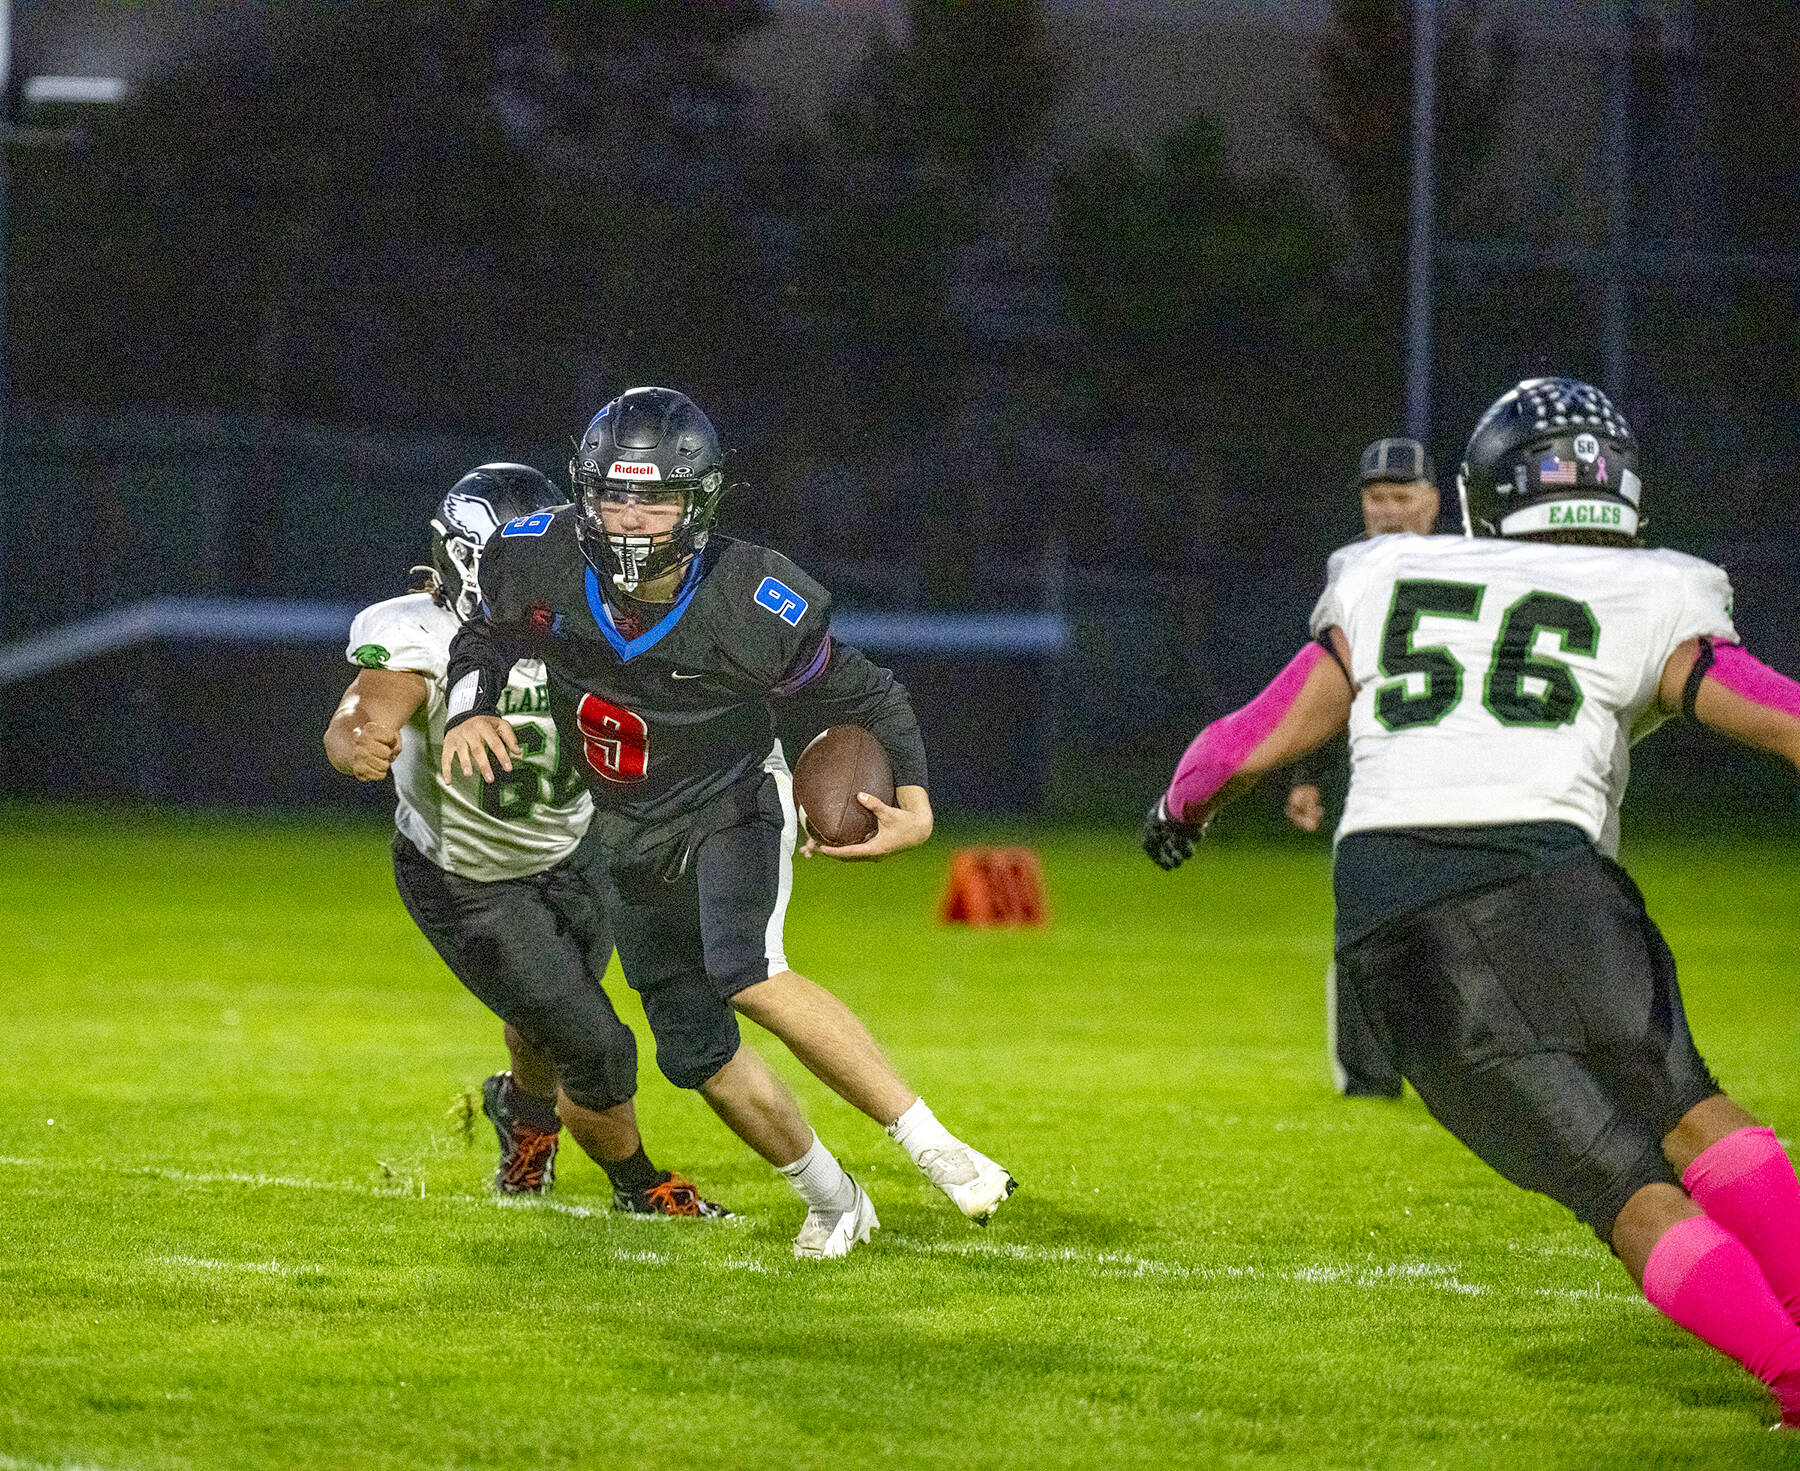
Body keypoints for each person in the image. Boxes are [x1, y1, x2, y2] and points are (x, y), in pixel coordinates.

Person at [1143, 377, 1800, 1427]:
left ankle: (1795, 1372)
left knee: (1624, 1192)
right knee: (1692, 1110)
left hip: (1405, 920)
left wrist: (1182, 804)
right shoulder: (1654, 590)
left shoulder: (1388, 573)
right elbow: (1775, 714)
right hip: (1563, 888)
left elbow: (1256, 731)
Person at [440, 387, 1015, 1259]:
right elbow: (484, 636)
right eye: (615, 495)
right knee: (695, 1050)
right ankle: (833, 1199)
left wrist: (920, 803)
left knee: (746, 969)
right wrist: (466, 710)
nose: (632, 520)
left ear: (699, 502)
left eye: (656, 498)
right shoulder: (537, 559)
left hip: (732, 801)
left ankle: (935, 1144)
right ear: (583, 492)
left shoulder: (753, 597)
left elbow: (866, 693)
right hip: (626, 827)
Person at [325, 462, 724, 1217]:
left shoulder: (591, 618)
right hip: (465, 876)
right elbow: (366, 706)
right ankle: (638, 1185)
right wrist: (359, 738)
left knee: (548, 1014)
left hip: (576, 852)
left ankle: (524, 1117)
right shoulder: (419, 626)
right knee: (596, 1043)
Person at [1288, 437, 1441, 1100]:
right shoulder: (1349, 566)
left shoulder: (1472, 563)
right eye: (1376, 497)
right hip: (1378, 765)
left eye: (1401, 496)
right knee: (1368, 920)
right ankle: (1371, 1076)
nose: (1387, 509)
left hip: (1460, 762)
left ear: (1433, 501)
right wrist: (1307, 771)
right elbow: (1332, 678)